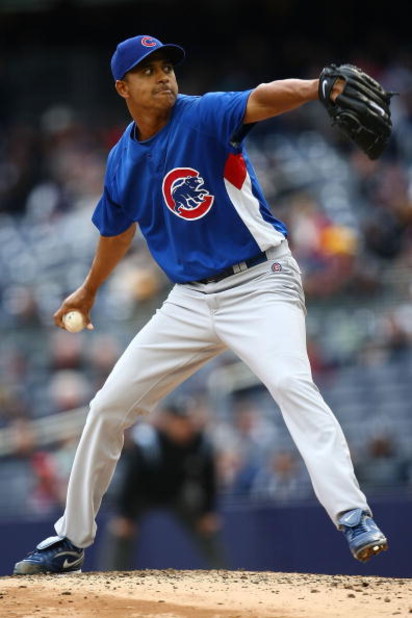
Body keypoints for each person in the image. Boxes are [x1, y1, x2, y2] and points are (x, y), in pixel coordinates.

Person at [13, 34, 388, 575]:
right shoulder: (121, 160)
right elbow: (116, 230)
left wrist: (317, 86)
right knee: (106, 408)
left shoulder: (204, 114)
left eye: (166, 66)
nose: (163, 75)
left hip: (261, 281)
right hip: (190, 300)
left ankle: (352, 513)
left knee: (289, 382)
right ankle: (69, 540)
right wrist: (90, 289)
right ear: (122, 87)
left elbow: (262, 97)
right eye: (148, 70)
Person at [98, 398, 228, 570]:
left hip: (177, 494)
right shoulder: (148, 441)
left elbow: (208, 480)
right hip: (142, 495)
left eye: (186, 420)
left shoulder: (200, 443)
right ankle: (109, 577)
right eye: (178, 420)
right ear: (168, 421)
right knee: (121, 529)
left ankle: (223, 575)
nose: (183, 425)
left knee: (207, 526)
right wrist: (125, 514)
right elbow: (130, 480)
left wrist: (208, 511)